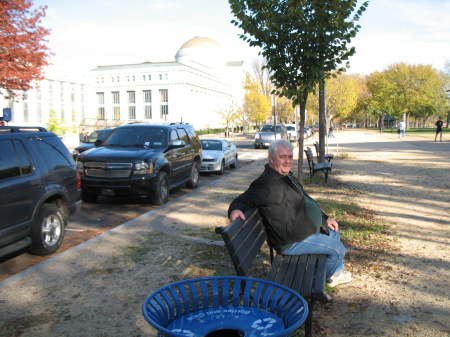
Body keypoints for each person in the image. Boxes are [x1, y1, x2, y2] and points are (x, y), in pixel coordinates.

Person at [228, 139, 353, 287]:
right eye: (282, 157)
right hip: (291, 241)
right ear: (272, 159)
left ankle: (335, 273)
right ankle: (315, 282)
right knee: (338, 250)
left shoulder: (286, 177)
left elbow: (306, 200)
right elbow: (244, 198)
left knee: (334, 231)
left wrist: (325, 218)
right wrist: (235, 208)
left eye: (290, 156)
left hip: (304, 229)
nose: (287, 161)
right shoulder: (265, 184)